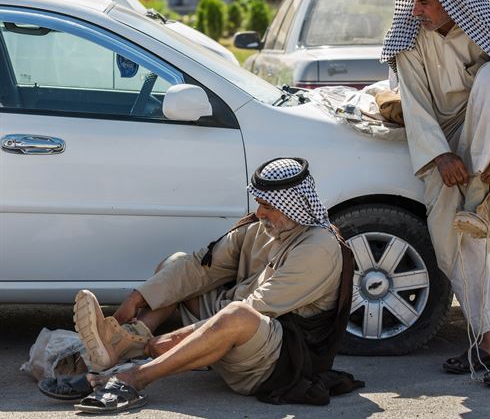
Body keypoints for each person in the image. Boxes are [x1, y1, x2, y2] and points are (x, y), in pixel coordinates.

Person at [56, 158, 362, 412]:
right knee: (174, 266)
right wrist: (137, 298)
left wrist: (168, 341)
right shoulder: (260, 228)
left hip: (276, 357)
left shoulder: (318, 247)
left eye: (268, 206)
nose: (259, 213)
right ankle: (123, 342)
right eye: (259, 203)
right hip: (232, 325)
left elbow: (256, 309)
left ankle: (135, 375)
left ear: (294, 205)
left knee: (237, 315)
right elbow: (200, 266)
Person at [381, 0, 490, 386]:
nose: (417, 10)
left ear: (454, 3)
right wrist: (439, 156)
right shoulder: (411, 37)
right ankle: (488, 342)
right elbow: (414, 106)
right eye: (414, 0)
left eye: (426, 2)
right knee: (452, 238)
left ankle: (487, 340)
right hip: (445, 144)